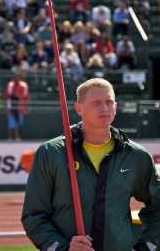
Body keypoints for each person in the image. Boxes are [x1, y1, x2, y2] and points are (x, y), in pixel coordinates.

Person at [22, 78, 160, 251]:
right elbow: (34, 215)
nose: (105, 108)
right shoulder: (51, 153)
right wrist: (63, 248)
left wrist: (147, 247)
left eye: (109, 102)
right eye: (96, 103)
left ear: (116, 106)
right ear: (78, 108)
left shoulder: (135, 155)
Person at [4, 73, 30, 140]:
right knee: (11, 124)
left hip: (20, 108)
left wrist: (26, 108)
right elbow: (7, 97)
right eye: (14, 77)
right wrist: (7, 108)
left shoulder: (24, 85)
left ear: (19, 78)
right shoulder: (10, 85)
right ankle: (10, 137)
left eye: (17, 77)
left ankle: (17, 137)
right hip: (11, 108)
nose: (16, 79)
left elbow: (26, 97)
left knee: (18, 124)